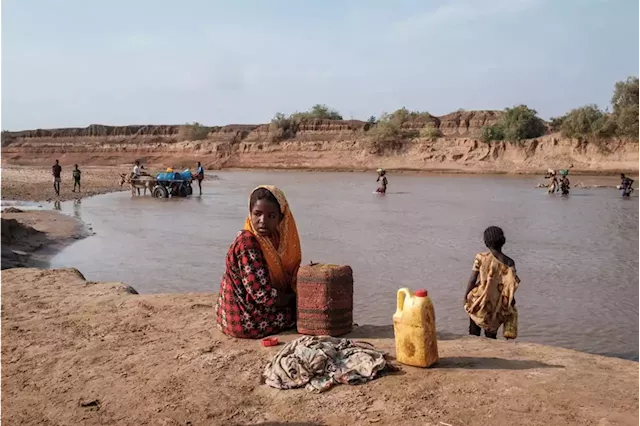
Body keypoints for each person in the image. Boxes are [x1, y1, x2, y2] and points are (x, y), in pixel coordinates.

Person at [215, 186, 302, 339]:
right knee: (302, 314)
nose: (263, 221)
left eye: (271, 216)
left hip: (244, 310)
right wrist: (294, 298)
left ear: (281, 218)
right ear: (250, 213)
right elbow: (262, 295)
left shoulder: (274, 238)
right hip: (243, 319)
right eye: (258, 214)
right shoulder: (247, 242)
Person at [464, 226, 519, 339]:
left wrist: (465, 295)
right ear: (502, 242)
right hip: (497, 302)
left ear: (485, 242)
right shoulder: (510, 262)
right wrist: (511, 302)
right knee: (491, 333)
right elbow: (511, 286)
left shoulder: (481, 257)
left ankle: (474, 349)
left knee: (474, 328)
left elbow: (472, 279)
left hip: (479, 299)